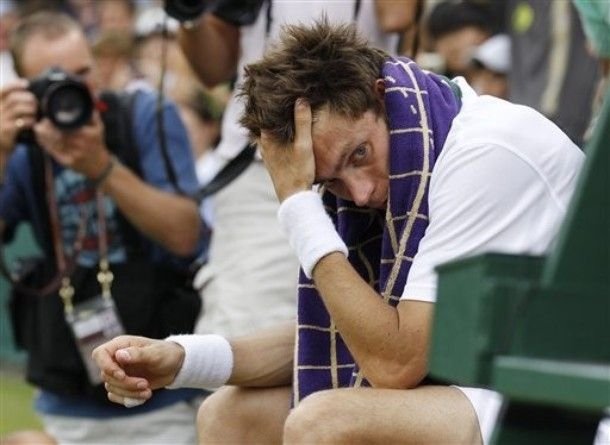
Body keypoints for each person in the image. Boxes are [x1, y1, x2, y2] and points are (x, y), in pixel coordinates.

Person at [93, 19, 585, 445]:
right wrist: (180, 360)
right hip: (490, 382)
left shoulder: (485, 153)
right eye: (331, 181)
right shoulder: (418, 138)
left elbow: (394, 364)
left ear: (379, 97)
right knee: (230, 414)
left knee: (327, 423)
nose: (362, 192)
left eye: (360, 156)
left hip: (570, 400)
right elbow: (332, 336)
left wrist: (299, 206)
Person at [0, 11, 206, 445]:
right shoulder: (22, 148)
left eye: (81, 74)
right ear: (22, 88)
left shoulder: (143, 115)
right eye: (51, 82)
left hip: (162, 393)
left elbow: (186, 235)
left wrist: (102, 168)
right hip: (66, 396)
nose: (72, 93)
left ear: (99, 65)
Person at [174, 0, 414, 342]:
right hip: (262, 163)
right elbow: (214, 70)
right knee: (245, 326)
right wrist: (191, 14)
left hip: (362, 150)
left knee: (360, 330)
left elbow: (397, 16)